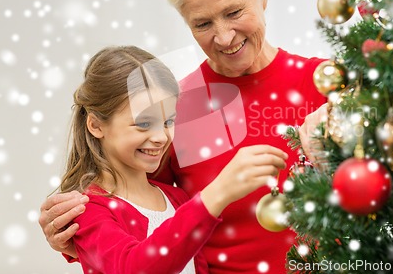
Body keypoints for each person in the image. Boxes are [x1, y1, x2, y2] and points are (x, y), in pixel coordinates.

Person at [39, 0, 328, 273]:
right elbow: (142, 212)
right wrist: (72, 234)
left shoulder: (327, 84)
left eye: (234, 12)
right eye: (202, 24)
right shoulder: (176, 108)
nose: (223, 37)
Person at [56, 45, 288, 274]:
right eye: (144, 123)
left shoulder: (176, 198)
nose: (160, 137)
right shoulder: (88, 210)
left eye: (168, 122)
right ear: (96, 125)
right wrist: (216, 194)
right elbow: (133, 268)